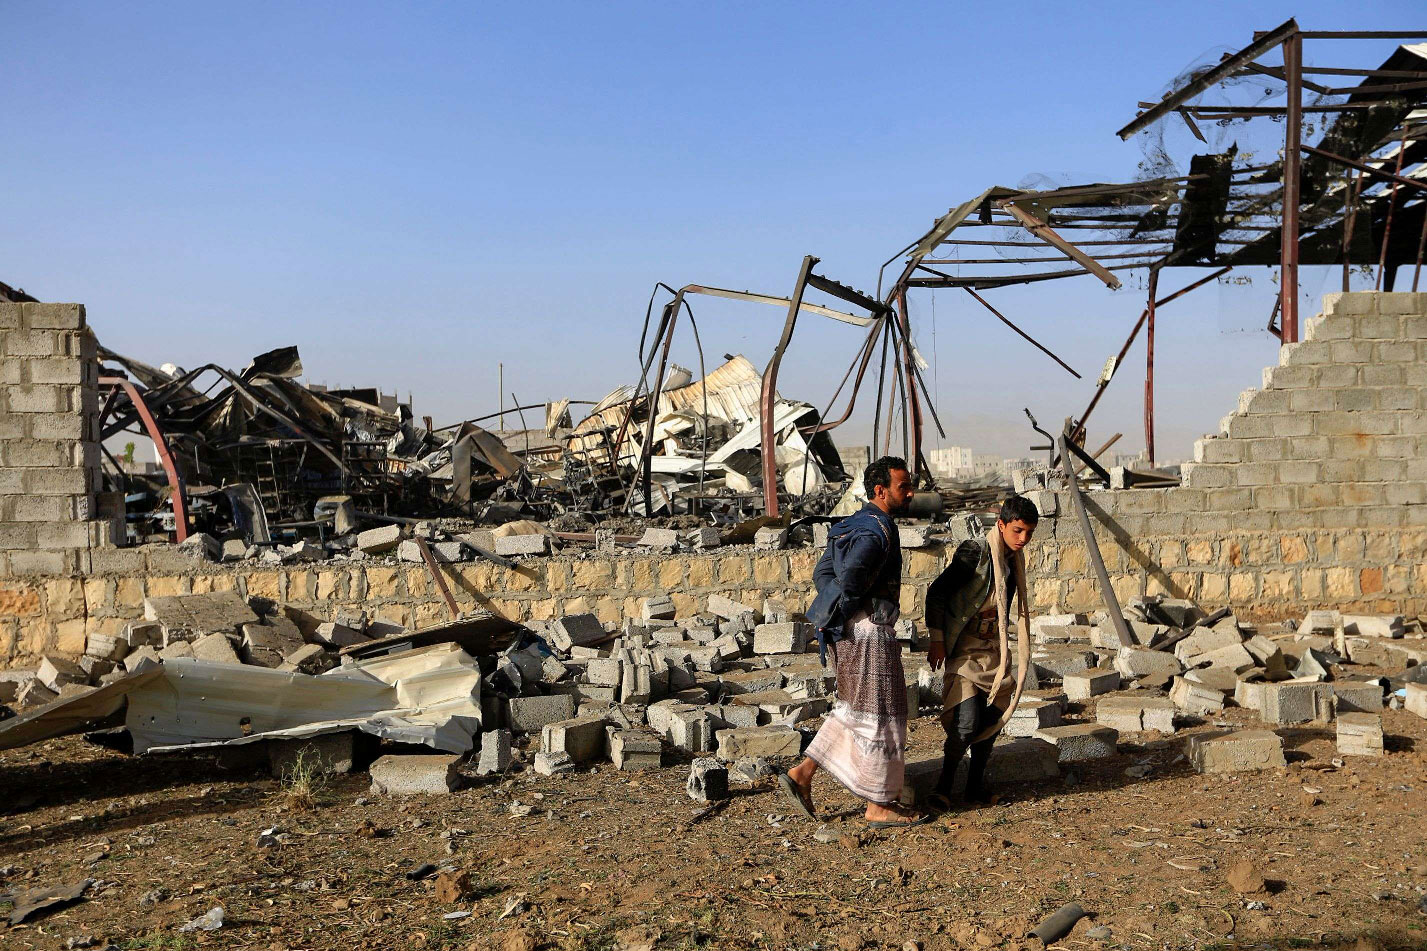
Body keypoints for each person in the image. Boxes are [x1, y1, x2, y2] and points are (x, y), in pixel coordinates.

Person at [778, 457, 929, 829]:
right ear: (881, 491)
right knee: (882, 716)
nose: (910, 493)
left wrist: (839, 614)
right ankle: (878, 804)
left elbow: (822, 572)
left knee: (852, 711)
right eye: (902, 487)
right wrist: (850, 609)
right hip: (868, 635)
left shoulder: (850, 524)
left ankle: (802, 774)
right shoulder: (879, 529)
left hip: (850, 634)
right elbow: (850, 579)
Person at [923, 494, 1039, 809]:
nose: (1023, 539)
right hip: (964, 648)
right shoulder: (974, 553)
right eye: (1017, 531)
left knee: (991, 722)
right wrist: (937, 640)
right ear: (1001, 525)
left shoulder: (1014, 561)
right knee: (965, 722)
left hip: (994, 650)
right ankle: (943, 788)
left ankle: (975, 788)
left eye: (1029, 532)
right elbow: (937, 594)